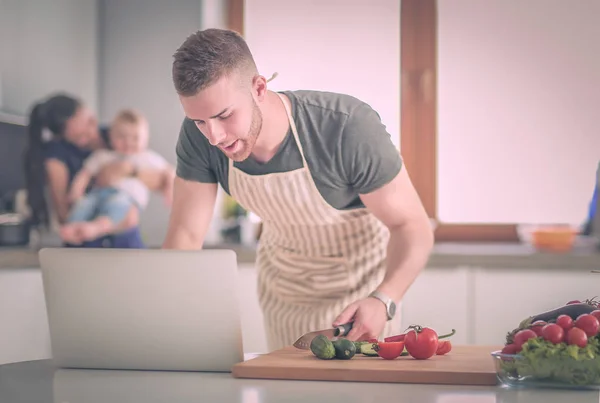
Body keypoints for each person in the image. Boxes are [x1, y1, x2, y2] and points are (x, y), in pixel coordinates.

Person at [162, 28, 434, 351]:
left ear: (259, 88)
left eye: (224, 116)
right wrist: (164, 321)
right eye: (199, 122)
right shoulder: (200, 137)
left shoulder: (347, 127)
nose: (214, 137)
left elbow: (413, 227)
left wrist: (384, 298)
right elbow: (184, 236)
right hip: (284, 299)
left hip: (363, 297)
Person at [24, 93, 169, 248]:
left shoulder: (119, 133)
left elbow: (159, 181)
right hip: (87, 241)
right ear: (64, 138)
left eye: (91, 122)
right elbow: (64, 215)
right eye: (82, 136)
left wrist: (128, 171)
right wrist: (96, 185)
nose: (94, 134)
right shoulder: (56, 157)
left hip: (124, 233)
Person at [60, 109, 174, 245]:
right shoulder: (103, 155)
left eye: (135, 138)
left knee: (118, 204)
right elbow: (85, 173)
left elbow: (170, 172)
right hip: (98, 195)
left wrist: (169, 191)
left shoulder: (147, 158)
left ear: (146, 139)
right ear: (111, 136)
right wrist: (76, 191)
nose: (128, 142)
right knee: (83, 204)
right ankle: (72, 228)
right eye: (122, 137)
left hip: (127, 197)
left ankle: (97, 228)